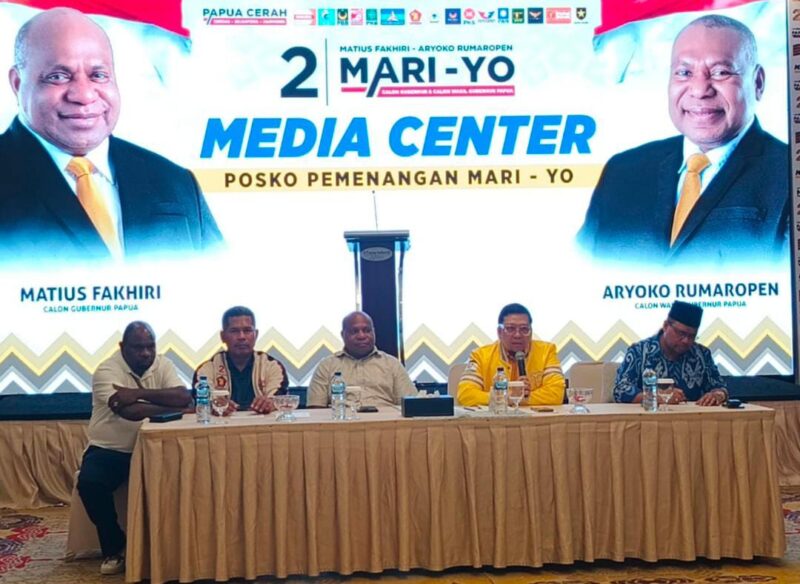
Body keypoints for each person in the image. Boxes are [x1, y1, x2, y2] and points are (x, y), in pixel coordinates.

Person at [0, 8, 223, 264]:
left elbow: (220, 283)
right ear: (17, 83)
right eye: (58, 77)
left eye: (98, 75)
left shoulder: (176, 183)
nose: (84, 95)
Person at [578, 15, 788, 265]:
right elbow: (581, 271)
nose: (699, 90)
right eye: (684, 72)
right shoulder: (622, 172)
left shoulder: (788, 174)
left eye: (720, 72)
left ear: (758, 83)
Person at [76, 321, 191, 575]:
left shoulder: (163, 364)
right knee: (90, 483)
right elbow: (130, 412)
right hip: (111, 449)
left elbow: (184, 396)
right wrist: (172, 406)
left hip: (157, 447)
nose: (146, 353)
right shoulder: (106, 370)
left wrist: (136, 393)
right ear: (122, 347)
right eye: (138, 347)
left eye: (150, 346)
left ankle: (173, 548)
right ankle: (115, 547)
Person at [613, 300, 728, 405]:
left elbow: (720, 387)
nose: (686, 341)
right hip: (648, 418)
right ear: (665, 326)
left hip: (692, 418)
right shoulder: (639, 351)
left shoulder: (702, 354)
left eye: (692, 336)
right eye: (681, 333)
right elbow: (621, 390)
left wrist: (717, 395)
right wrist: (657, 397)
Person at [457, 303, 565, 406]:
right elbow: (465, 394)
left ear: (531, 332)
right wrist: (508, 396)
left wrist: (520, 399)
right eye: (510, 329)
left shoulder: (546, 352)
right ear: (499, 332)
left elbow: (556, 394)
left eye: (524, 329)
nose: (517, 335)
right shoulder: (480, 355)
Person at [307, 311, 416, 408]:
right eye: (354, 331)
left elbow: (412, 405)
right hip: (342, 422)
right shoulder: (327, 366)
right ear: (342, 335)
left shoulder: (392, 364)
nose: (361, 336)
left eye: (367, 330)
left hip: (386, 422)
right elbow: (315, 409)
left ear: (374, 332)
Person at [193, 306, 289, 414]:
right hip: (221, 424)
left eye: (247, 330)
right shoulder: (207, 369)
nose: (241, 337)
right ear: (222, 336)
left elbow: (278, 399)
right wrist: (214, 405)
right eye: (234, 331)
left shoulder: (272, 366)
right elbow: (203, 401)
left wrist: (270, 403)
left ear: (256, 335)